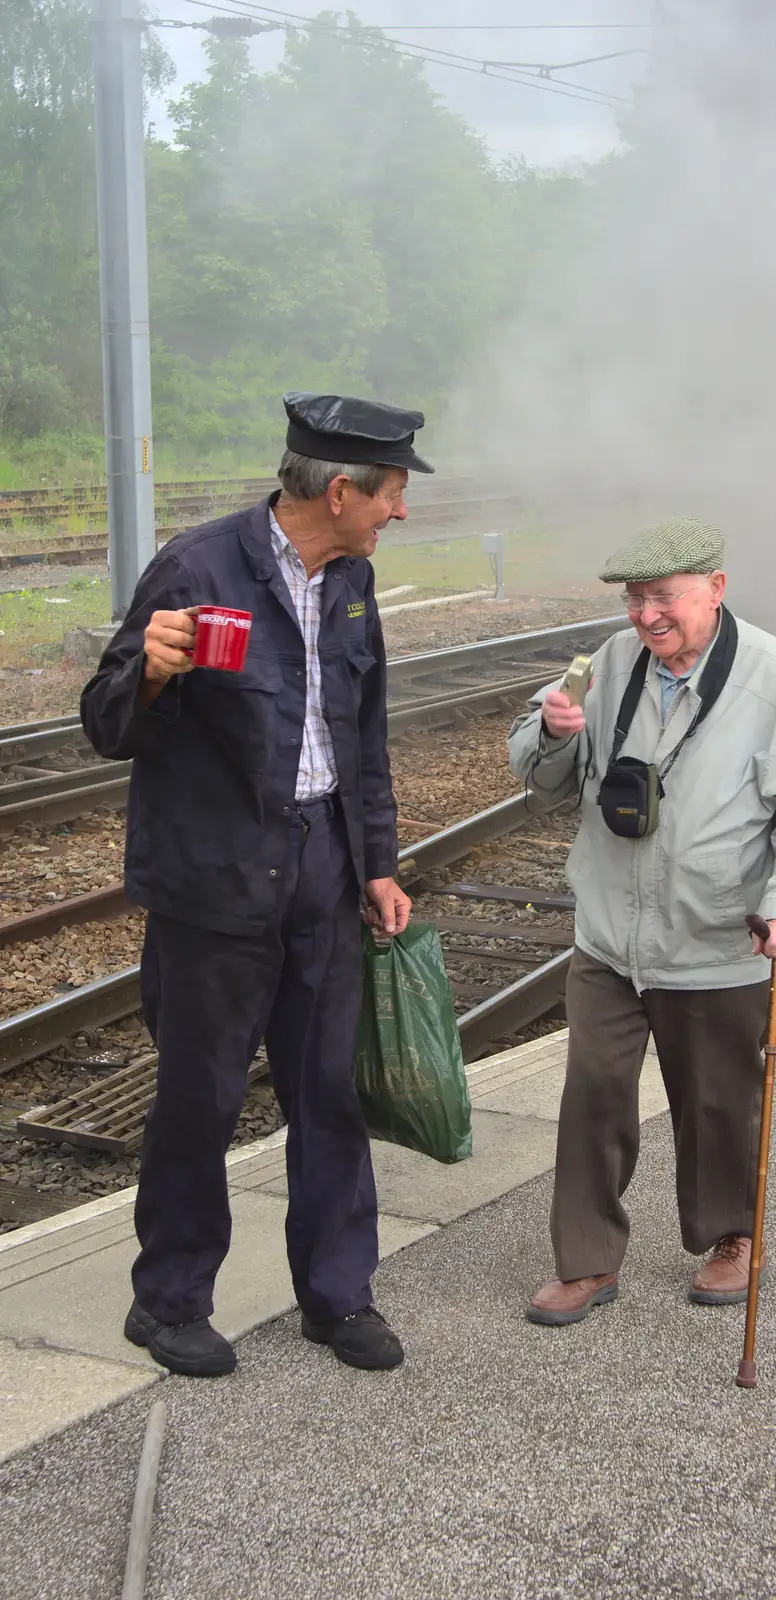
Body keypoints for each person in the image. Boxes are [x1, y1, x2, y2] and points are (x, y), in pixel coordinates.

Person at [80, 393, 431, 1377]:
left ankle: (336, 1293)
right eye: (392, 493)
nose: (397, 513)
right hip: (215, 879)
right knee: (201, 1094)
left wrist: (376, 863)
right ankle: (170, 1301)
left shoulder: (352, 582)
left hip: (321, 864)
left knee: (329, 1090)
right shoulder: (199, 568)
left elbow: (362, 737)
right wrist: (147, 676)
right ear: (339, 489)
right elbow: (106, 725)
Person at [508, 517, 776, 1326]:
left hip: (713, 935)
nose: (644, 617)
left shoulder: (769, 677)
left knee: (714, 1100)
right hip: (610, 934)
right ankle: (586, 1262)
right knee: (592, 1095)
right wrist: (550, 733)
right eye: (634, 601)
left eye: (661, 598)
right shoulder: (605, 663)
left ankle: (732, 1238)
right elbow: (540, 775)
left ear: (714, 587)